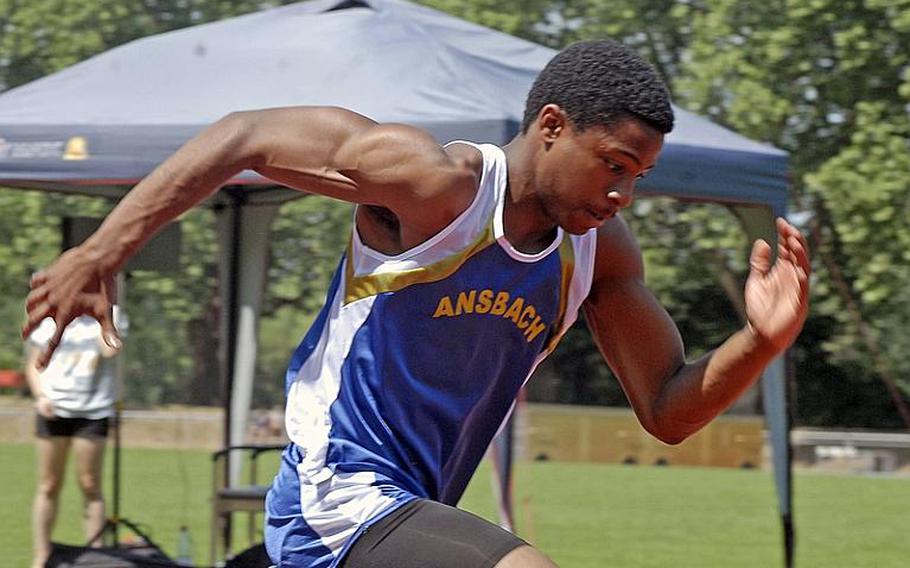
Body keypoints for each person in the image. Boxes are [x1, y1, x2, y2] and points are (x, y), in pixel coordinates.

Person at [22, 39, 810, 568]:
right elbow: (244, 136)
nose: (622, 193)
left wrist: (760, 341)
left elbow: (668, 408)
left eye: (638, 176)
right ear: (551, 126)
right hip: (336, 496)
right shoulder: (436, 186)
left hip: (411, 513)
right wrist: (100, 252)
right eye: (613, 164)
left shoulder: (600, 255)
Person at [25, 309, 125, 568]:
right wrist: (41, 397)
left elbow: (109, 350)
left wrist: (102, 316)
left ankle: (96, 554)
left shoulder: (110, 315)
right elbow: (34, 365)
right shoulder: (48, 319)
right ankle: (42, 555)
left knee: (90, 484)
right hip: (54, 409)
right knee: (49, 484)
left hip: (92, 411)